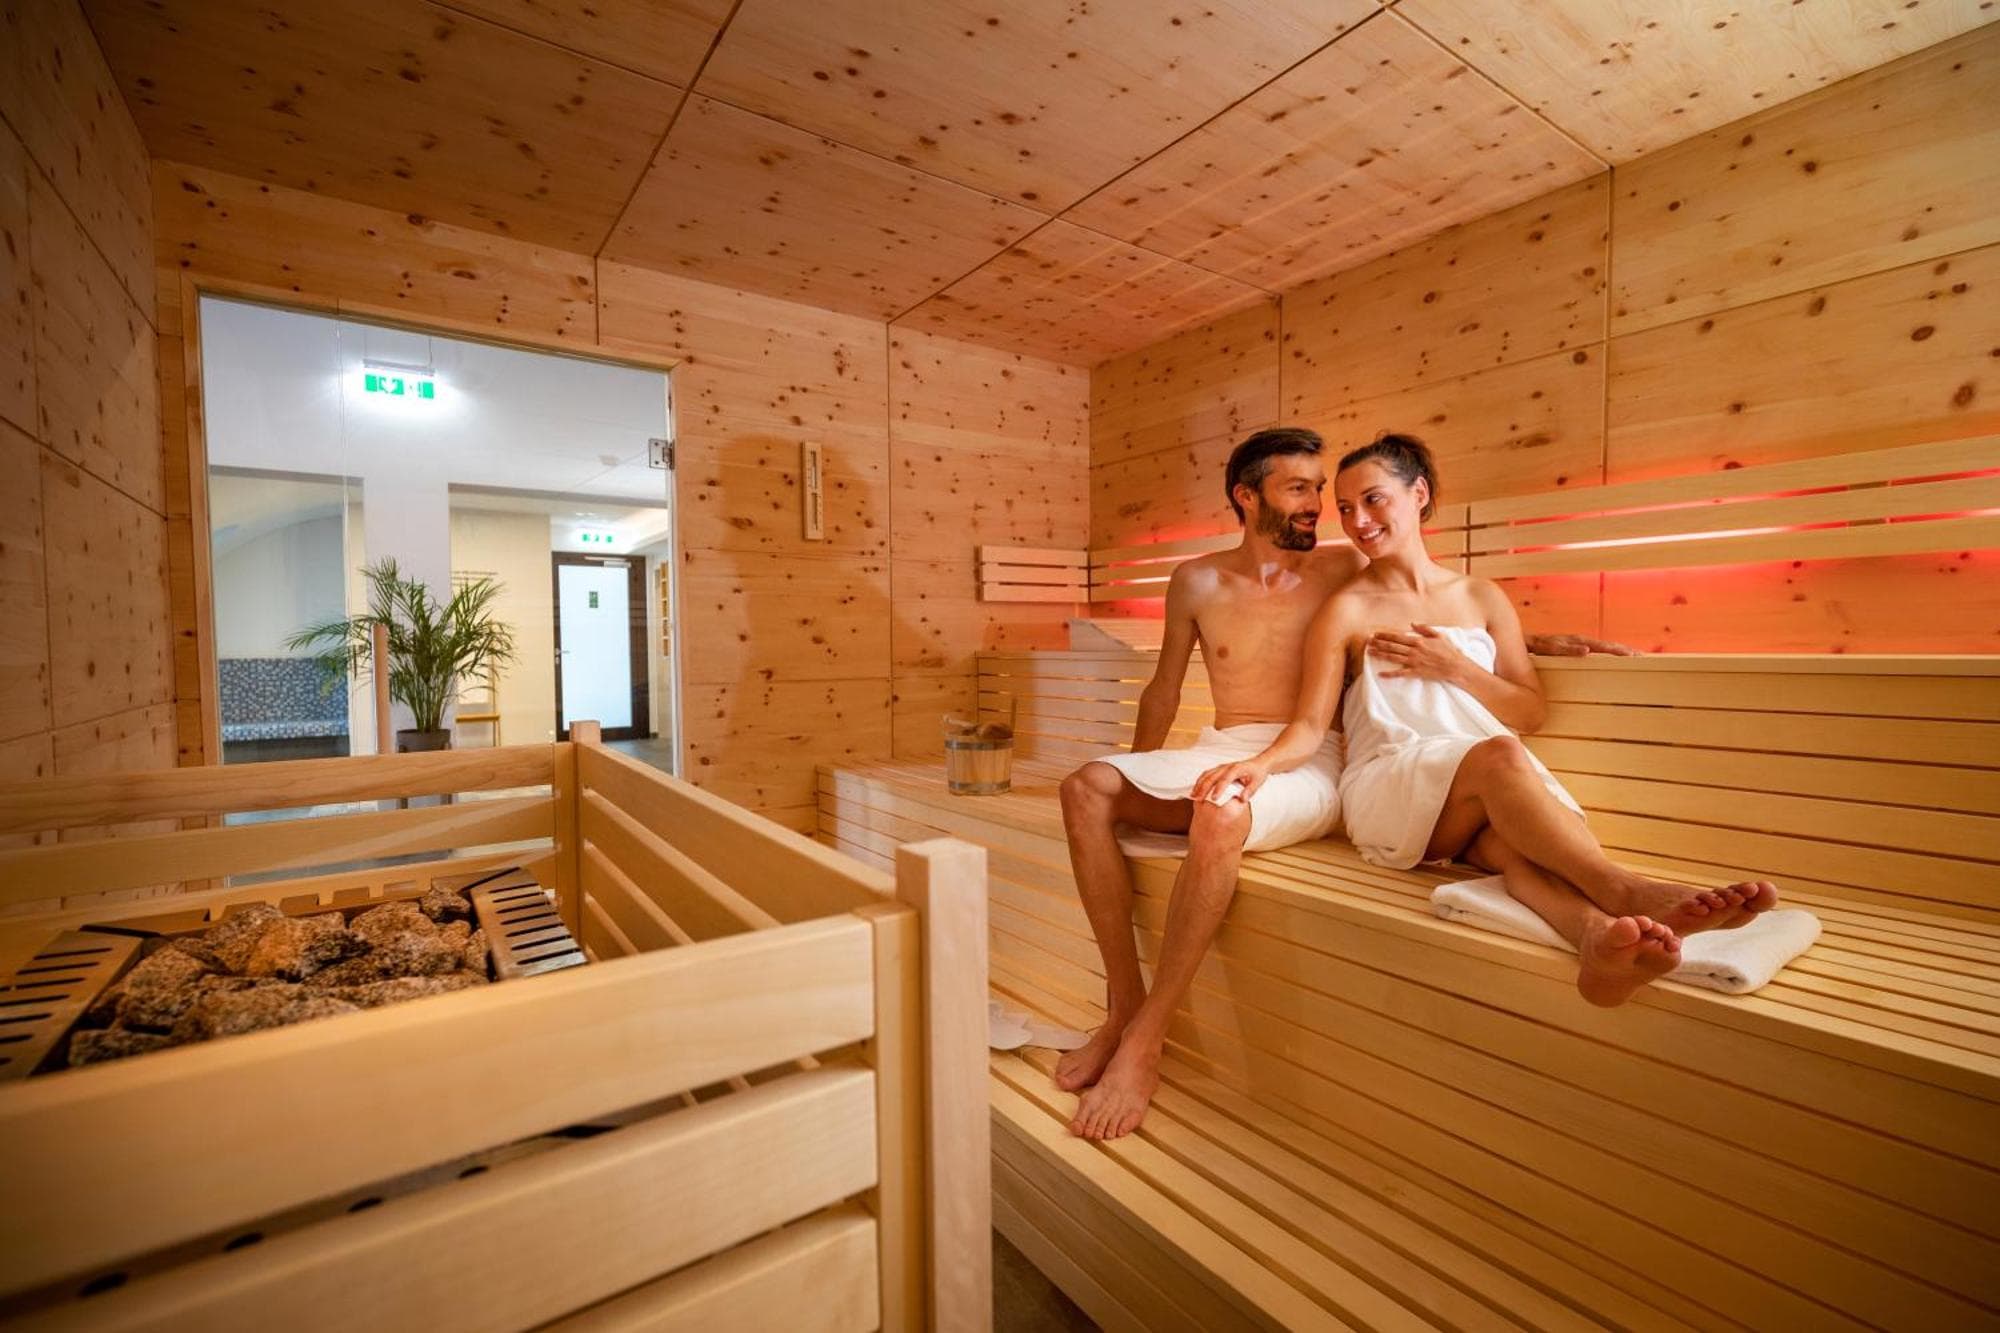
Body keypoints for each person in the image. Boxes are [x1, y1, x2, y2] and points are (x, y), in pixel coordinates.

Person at [1056, 427, 1633, 1141]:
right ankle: (1122, 1008)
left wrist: (1541, 640)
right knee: (1086, 788)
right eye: (1300, 489)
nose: (1321, 507)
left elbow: (1424, 607)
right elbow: (1163, 689)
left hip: (1311, 756)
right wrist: (1135, 780)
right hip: (1229, 744)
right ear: (1247, 496)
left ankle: (1147, 1038)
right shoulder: (1196, 580)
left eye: (1320, 491)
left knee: (1223, 809)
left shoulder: (1341, 569)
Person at [1199, 433, 1778, 1014]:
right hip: (1390, 781)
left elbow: (1529, 711)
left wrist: (1455, 667)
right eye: (1345, 508)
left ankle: (1596, 943)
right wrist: (1258, 765)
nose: (1358, 521)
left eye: (1373, 500)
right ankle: (1621, 887)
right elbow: (1308, 725)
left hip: (1479, 794)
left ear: (1418, 493)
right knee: (1500, 754)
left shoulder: (1481, 597)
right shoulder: (1345, 609)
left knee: (1511, 848)